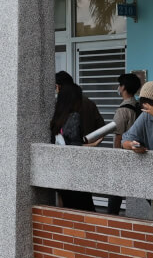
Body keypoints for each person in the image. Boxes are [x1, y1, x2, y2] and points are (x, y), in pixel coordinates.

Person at [50, 83, 99, 211]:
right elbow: (75, 149)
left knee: (67, 211)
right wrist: (92, 144)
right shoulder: (74, 117)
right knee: (85, 212)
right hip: (75, 175)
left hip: (60, 174)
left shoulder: (57, 118)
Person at [108, 73, 142, 214]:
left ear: (123, 87)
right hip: (138, 152)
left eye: (119, 85)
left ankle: (111, 217)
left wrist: (116, 157)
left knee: (116, 190)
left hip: (124, 153)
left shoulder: (122, 110)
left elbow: (118, 136)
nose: (118, 88)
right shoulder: (139, 107)